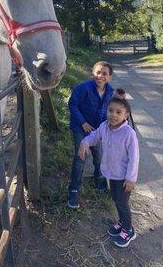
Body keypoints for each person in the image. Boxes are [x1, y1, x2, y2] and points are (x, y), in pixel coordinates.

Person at [78, 97, 139, 248]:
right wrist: (85, 142)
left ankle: (129, 229)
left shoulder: (128, 133)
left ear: (126, 115)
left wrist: (131, 178)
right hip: (111, 173)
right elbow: (94, 136)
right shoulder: (104, 126)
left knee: (122, 202)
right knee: (116, 198)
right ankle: (122, 222)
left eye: (118, 112)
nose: (113, 115)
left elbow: (134, 157)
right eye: (110, 111)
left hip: (124, 177)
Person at [67, 61, 114, 209]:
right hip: (80, 128)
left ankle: (99, 179)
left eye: (104, 73)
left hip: (97, 130)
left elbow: (111, 109)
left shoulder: (110, 92)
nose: (100, 76)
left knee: (99, 155)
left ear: (109, 77)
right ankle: (74, 189)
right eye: (98, 72)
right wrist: (83, 122)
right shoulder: (83, 88)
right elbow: (72, 104)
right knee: (81, 157)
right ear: (93, 73)